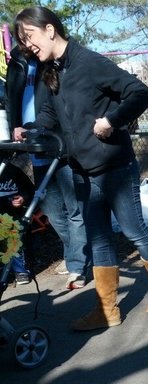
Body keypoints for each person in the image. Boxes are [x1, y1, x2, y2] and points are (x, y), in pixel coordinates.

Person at [12, 6, 148, 331]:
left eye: (28, 37)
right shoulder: (54, 71)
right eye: (21, 41)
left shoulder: (89, 62)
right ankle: (107, 310)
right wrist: (29, 128)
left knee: (133, 230)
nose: (27, 45)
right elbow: (50, 112)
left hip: (115, 166)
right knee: (99, 239)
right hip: (82, 170)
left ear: (49, 29)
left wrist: (112, 120)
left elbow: (140, 93)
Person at [4, 44, 91, 289]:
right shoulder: (17, 63)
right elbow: (12, 100)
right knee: (53, 212)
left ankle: (78, 265)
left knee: (74, 211)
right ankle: (76, 254)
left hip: (60, 144)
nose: (29, 42)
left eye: (31, 35)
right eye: (23, 35)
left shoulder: (53, 59)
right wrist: (16, 128)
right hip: (34, 145)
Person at [0, 162, 34, 285]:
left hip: (12, 215)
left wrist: (23, 197)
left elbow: (29, 190)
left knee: (15, 237)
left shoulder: (12, 170)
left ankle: (20, 270)